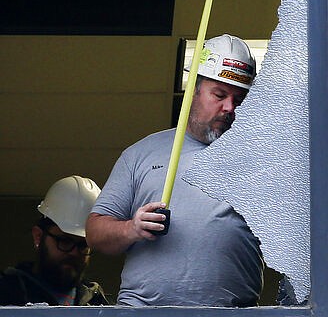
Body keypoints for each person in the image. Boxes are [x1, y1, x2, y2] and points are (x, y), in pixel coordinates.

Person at [86, 34, 264, 307]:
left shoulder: (261, 161)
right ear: (193, 88)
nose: (229, 107)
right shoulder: (141, 154)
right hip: (143, 312)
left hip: (231, 314)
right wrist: (132, 228)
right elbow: (95, 233)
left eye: (239, 99)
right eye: (219, 94)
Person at [0, 175, 112, 306]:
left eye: (83, 245)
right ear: (38, 236)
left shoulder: (96, 302)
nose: (74, 253)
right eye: (64, 241)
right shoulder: (7, 292)